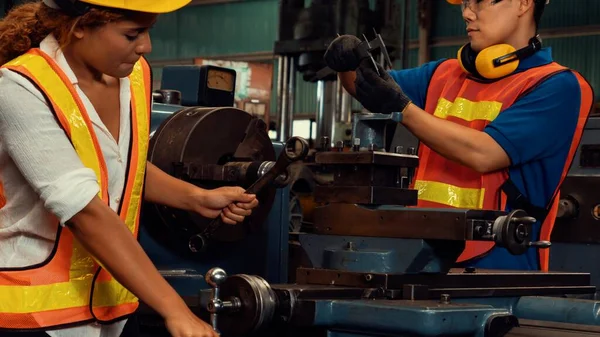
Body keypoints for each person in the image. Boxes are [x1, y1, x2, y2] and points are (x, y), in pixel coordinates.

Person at [0, 1, 260, 337]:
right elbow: (83, 211)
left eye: (149, 31)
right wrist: (174, 309)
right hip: (35, 316)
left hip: (116, 310)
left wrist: (195, 198)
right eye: (132, 34)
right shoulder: (19, 88)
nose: (146, 46)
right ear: (79, 27)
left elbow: (122, 163)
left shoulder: (135, 75)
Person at [324, 0, 595, 271]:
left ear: (522, 3)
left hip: (495, 273)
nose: (466, 13)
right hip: (418, 259)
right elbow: (370, 88)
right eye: (464, 3)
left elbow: (484, 153)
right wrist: (348, 62)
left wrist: (403, 109)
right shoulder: (443, 74)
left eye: (478, 1)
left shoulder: (558, 87)